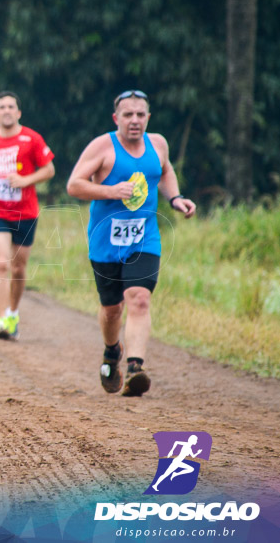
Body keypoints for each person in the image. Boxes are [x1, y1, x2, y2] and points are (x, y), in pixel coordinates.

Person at [67, 89, 195, 397]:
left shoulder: (158, 144)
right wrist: (111, 191)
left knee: (138, 298)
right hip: (105, 242)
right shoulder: (103, 146)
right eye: (128, 115)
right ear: (116, 118)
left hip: (145, 237)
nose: (134, 121)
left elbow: (163, 171)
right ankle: (112, 351)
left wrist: (175, 197)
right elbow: (74, 185)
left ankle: (136, 368)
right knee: (112, 310)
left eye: (140, 115)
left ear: (148, 117)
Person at [0, 91, 56, 341]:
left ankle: (14, 312)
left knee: (18, 268)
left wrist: (25, 180)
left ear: (18, 112)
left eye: (11, 106)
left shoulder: (32, 138)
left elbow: (49, 169)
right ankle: (2, 319)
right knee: (1, 263)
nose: (7, 110)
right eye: (2, 107)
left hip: (25, 211)